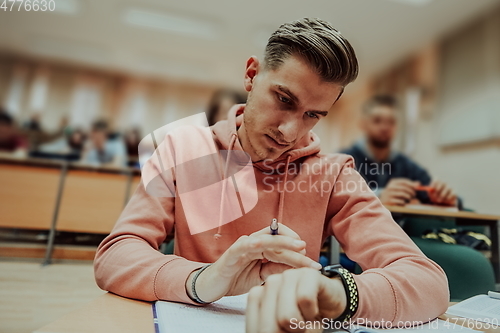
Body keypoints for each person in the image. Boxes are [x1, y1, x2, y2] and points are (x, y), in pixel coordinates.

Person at [94, 18, 448, 331]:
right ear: (251, 75)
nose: (290, 131)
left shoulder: (334, 174)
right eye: (284, 99)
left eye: (313, 115)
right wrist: (204, 279)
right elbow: (115, 256)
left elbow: (428, 283)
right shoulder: (182, 150)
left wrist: (339, 292)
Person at [342, 95, 458, 207]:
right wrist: (376, 196)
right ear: (363, 124)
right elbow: (331, 199)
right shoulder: (344, 160)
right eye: (377, 120)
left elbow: (434, 192)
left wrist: (447, 199)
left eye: (391, 122)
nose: (385, 127)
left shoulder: (407, 166)